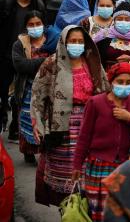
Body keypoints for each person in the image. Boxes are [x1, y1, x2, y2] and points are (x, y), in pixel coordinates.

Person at [31, 25, 109, 206]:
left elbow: (105, 90)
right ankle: (68, 211)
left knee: (87, 171)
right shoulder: (51, 63)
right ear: (64, 43)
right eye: (72, 41)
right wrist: (39, 126)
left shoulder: (92, 63)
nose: (76, 44)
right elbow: (37, 97)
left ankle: (84, 211)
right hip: (61, 128)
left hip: (90, 124)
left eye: (80, 41)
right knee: (64, 175)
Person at [72, 62, 130, 221]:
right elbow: (84, 136)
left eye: (128, 82)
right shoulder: (95, 103)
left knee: (123, 210)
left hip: (127, 165)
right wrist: (77, 165)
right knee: (99, 211)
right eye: (120, 81)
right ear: (111, 81)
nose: (124, 85)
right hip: (99, 165)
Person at [0, 0, 45, 136]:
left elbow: (43, 28)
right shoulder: (6, 4)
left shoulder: (38, 6)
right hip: (5, 55)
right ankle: (4, 117)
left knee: (23, 93)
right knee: (3, 90)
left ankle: (15, 127)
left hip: (28, 56)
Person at [11, 11, 53, 163]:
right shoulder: (20, 44)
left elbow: (59, 63)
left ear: (43, 24)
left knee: (47, 119)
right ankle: (28, 152)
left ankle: (45, 153)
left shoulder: (52, 41)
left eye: (38, 24)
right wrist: (45, 61)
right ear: (26, 26)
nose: (35, 27)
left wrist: (37, 64)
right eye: (31, 25)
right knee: (28, 120)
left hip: (49, 90)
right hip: (27, 89)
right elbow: (21, 66)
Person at [93, 1, 130, 69]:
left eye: (127, 19)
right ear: (114, 21)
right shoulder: (104, 35)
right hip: (106, 74)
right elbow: (96, 57)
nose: (123, 21)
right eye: (119, 19)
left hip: (129, 75)